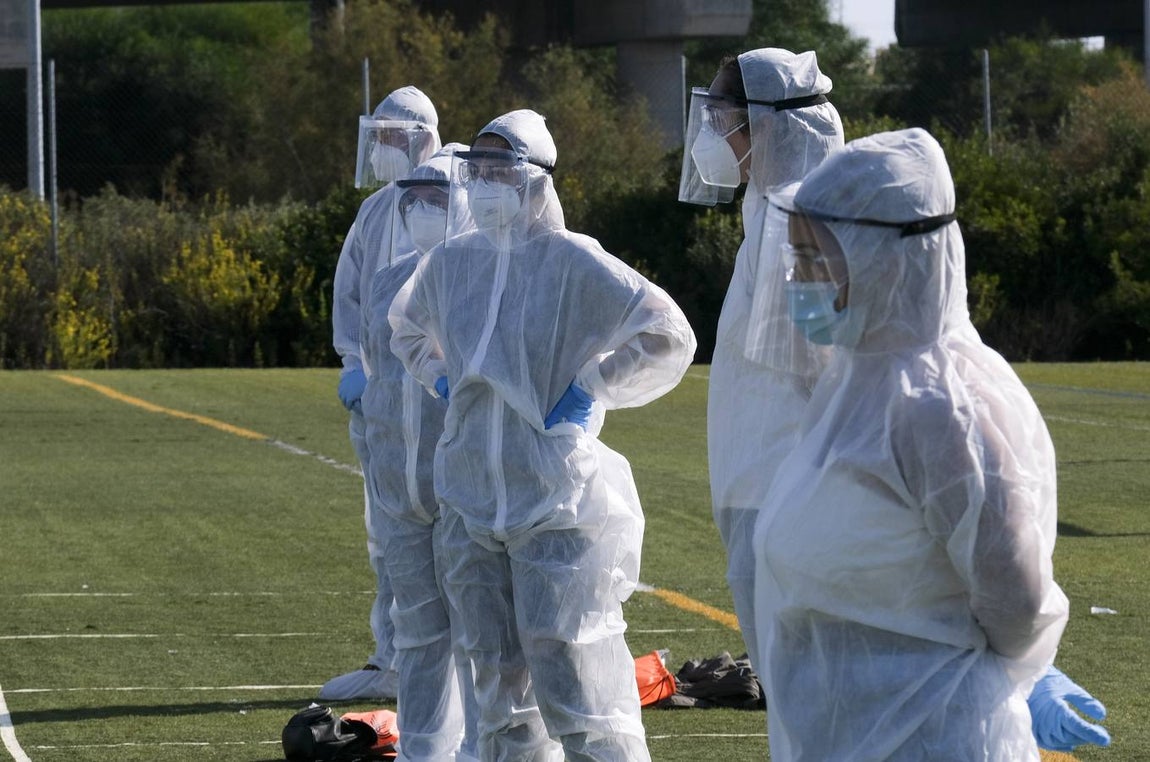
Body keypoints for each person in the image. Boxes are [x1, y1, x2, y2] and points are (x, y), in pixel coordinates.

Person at [752, 127, 1109, 759]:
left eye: (816, 257)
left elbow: (1015, 596)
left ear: (883, 256)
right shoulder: (854, 381)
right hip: (845, 734)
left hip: (936, 735)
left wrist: (1029, 673)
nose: (799, 278)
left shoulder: (947, 407)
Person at [388, 109, 696, 761]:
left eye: (502, 170)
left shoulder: (572, 262)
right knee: (498, 696)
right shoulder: (454, 263)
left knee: (576, 690)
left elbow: (667, 334)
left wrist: (594, 386)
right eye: (479, 171)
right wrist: (441, 378)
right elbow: (406, 326)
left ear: (536, 180)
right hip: (471, 501)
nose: (487, 183)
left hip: (553, 501)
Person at [678, 47, 843, 668]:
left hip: (787, 489)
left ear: (770, 125)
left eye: (725, 120)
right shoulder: (770, 213)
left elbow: (817, 368)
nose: (715, 135)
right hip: (763, 482)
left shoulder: (793, 220)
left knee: (806, 682)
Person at [362, 144, 479, 761]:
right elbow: (380, 385)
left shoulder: (478, 280)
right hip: (399, 489)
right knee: (419, 631)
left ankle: (483, 748)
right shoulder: (387, 280)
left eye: (438, 199)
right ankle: (425, 749)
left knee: (483, 632)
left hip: (462, 484)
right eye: (415, 200)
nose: (423, 210)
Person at [326, 84, 442, 701]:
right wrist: (353, 363)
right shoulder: (375, 211)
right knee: (387, 533)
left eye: (391, 140)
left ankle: (435, 661)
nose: (380, 153)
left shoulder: (457, 199)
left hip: (438, 404)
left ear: (422, 136)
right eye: (377, 140)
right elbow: (351, 293)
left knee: (446, 536)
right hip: (380, 403)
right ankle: (390, 657)